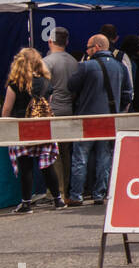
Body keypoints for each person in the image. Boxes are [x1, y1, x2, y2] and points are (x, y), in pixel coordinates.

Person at [66, 34, 131, 206]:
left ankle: (76, 195)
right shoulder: (121, 67)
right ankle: (99, 194)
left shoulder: (86, 66)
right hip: (110, 119)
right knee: (105, 158)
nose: (87, 51)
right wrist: (117, 108)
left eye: (88, 47)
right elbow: (127, 94)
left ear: (96, 47)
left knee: (80, 157)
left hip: (87, 119)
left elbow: (71, 86)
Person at [3, 48, 63, 213]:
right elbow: (47, 106)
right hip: (43, 127)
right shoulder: (46, 83)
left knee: (26, 165)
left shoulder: (15, 85)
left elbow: (7, 110)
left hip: (22, 128)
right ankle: (58, 200)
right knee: (47, 164)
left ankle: (26, 203)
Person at [44, 27, 78, 200]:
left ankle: (58, 191)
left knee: (54, 152)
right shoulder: (74, 62)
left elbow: (43, 89)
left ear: (50, 41)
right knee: (66, 152)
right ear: (67, 42)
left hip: (53, 111)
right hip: (69, 110)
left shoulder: (47, 62)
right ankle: (65, 191)